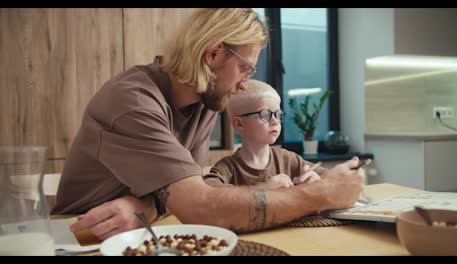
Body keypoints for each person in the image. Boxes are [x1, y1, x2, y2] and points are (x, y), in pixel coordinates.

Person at [52, 8, 364, 241]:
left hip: (140, 232)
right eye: (245, 69)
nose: (244, 85)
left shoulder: (205, 103)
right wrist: (323, 194)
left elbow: (181, 196)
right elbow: (201, 207)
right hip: (80, 236)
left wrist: (144, 206)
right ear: (213, 53)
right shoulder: (132, 101)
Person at [204, 79, 324, 189]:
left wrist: (316, 180)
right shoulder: (227, 168)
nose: (275, 121)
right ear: (239, 124)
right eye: (265, 115)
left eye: (277, 114)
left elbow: (331, 177)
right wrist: (262, 189)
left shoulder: (289, 159)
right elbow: (208, 191)